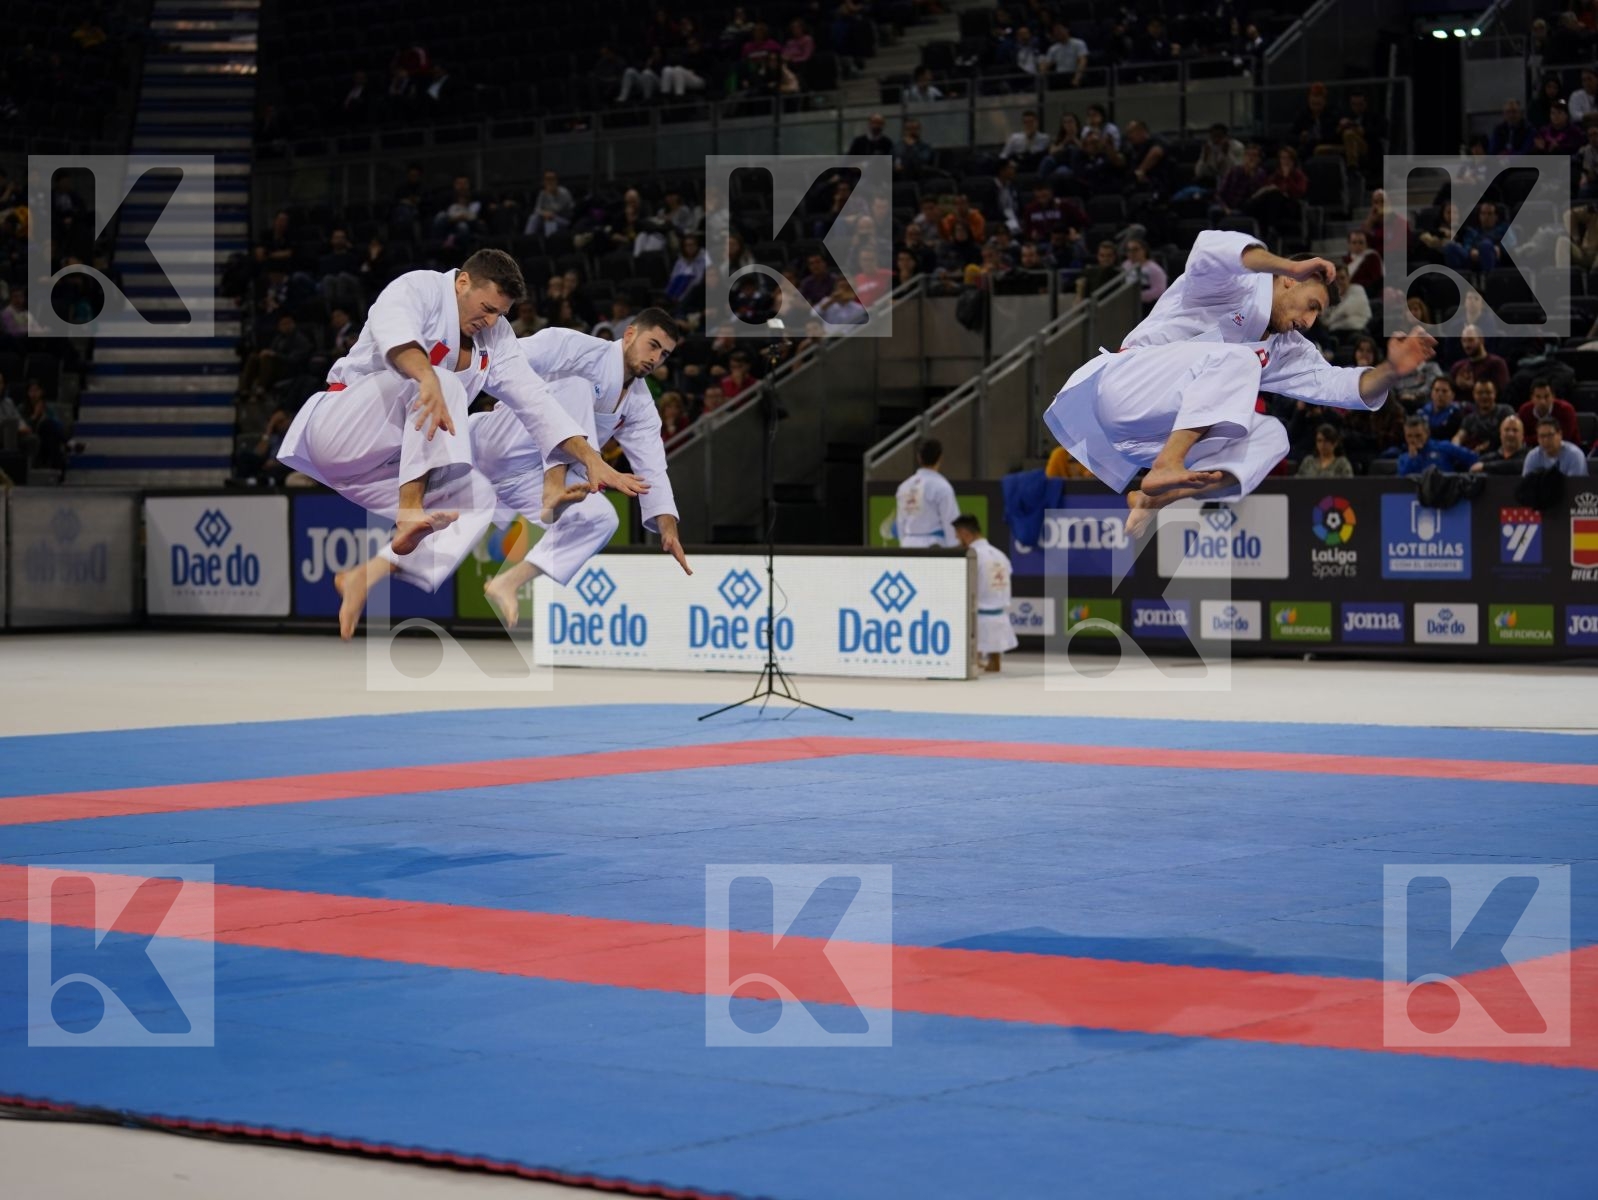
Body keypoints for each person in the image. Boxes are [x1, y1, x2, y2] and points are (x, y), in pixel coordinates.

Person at [275, 250, 646, 637]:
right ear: (463, 281)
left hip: (382, 466)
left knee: (478, 499)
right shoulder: (418, 288)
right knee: (439, 381)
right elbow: (395, 335)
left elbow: (537, 402)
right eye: (486, 308)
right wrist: (429, 378)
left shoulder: (495, 337)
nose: (490, 320)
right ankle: (410, 510)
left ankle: (363, 577)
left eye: (500, 313)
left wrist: (590, 458)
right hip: (343, 428)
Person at [1043, 230, 1437, 533]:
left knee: (1273, 436)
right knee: (1241, 359)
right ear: (1288, 281)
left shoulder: (1287, 348)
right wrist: (1286, 263)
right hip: (1126, 389)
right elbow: (1209, 247)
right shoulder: (1234, 285)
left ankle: (1157, 498)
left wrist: (1391, 370)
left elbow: (1342, 387)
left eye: (1319, 315)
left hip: (1149, 436)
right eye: (1312, 305)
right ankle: (1168, 464)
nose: (1310, 321)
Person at [468, 315, 690, 626]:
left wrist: (668, 530)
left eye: (664, 354)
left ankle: (508, 582)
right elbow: (504, 358)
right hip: (499, 442)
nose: (655, 358)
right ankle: (555, 482)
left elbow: (652, 466)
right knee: (575, 383)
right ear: (629, 334)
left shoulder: (640, 404)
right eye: (652, 345)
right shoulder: (575, 346)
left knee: (601, 518)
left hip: (523, 479)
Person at [953, 514, 1017, 673]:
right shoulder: (1000, 554)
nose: (957, 541)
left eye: (957, 537)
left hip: (979, 618)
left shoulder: (973, 555)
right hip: (999, 614)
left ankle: (974, 657)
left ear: (964, 534)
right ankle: (992, 659)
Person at [896, 439, 959, 547]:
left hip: (908, 545)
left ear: (919, 457)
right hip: (933, 547)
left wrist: (903, 543)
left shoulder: (904, 487)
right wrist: (954, 547)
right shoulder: (942, 487)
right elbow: (951, 521)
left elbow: (900, 521)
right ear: (940, 458)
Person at [1396, 415, 1478, 475]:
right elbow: (1402, 482)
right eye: (1409, 436)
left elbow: (1473, 458)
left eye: (1418, 435)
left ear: (1427, 433)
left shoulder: (1444, 447)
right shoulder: (1404, 458)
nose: (1413, 440)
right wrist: (1412, 458)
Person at [1455, 379, 1515, 453]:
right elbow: (1459, 436)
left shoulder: (1505, 411)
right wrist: (1455, 448)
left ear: (1495, 393)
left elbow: (1513, 434)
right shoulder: (1469, 418)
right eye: (1480, 393)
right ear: (1474, 395)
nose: (1484, 396)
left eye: (1488, 392)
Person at [1518, 377, 1581, 445]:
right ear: (1532, 398)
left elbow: (1563, 437)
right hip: (1531, 450)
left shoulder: (1566, 410)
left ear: (1553, 396)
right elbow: (1520, 437)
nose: (1542, 402)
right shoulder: (1524, 411)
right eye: (1538, 397)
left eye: (1546, 396)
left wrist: (1531, 439)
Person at [1523, 417, 1590, 476]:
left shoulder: (1574, 455)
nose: (1546, 440)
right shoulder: (1532, 456)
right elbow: (1526, 485)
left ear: (1560, 434)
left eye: (1550, 435)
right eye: (1542, 436)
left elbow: (1574, 486)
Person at [1423, 376, 1463, 442]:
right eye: (1436, 390)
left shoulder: (1456, 415)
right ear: (1431, 393)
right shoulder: (1422, 411)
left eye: (1444, 391)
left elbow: (1443, 434)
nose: (1440, 394)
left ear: (1452, 395)